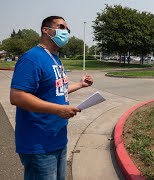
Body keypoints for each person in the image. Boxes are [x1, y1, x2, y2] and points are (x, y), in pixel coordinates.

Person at [10, 16, 93, 180]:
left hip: (58, 138)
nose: (65, 32)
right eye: (61, 27)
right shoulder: (31, 58)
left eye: (67, 29)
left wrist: (80, 84)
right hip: (39, 144)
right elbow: (17, 96)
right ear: (46, 30)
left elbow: (56, 90)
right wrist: (59, 109)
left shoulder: (54, 58)